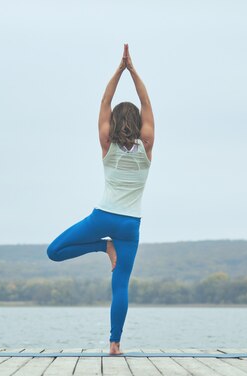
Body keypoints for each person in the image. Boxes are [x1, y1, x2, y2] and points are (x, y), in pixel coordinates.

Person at [46, 44, 154, 355]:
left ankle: (101, 246)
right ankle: (115, 344)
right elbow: (146, 101)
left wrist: (119, 70)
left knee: (54, 251)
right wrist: (133, 71)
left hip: (103, 217)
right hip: (131, 225)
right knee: (120, 286)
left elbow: (105, 100)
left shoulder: (107, 145)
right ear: (137, 124)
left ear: (113, 122)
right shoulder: (147, 146)